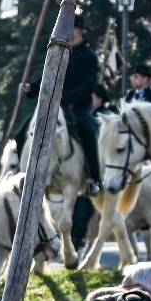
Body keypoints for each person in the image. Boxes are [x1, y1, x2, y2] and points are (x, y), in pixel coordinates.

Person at [61, 17, 103, 193]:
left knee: (88, 131)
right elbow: (46, 77)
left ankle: (94, 178)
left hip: (78, 108)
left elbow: (88, 86)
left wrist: (65, 97)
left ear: (79, 30)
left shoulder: (89, 56)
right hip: (56, 108)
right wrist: (31, 88)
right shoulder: (60, 52)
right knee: (23, 131)